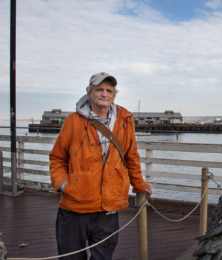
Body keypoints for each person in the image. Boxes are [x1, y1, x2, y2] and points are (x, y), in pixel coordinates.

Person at [49, 72, 152, 259]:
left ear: (113, 95)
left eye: (109, 91)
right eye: (99, 90)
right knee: (70, 257)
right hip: (75, 206)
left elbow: (131, 157)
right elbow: (57, 158)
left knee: (103, 257)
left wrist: (139, 185)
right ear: (89, 93)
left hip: (108, 206)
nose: (104, 94)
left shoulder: (125, 120)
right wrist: (64, 185)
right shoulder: (73, 121)